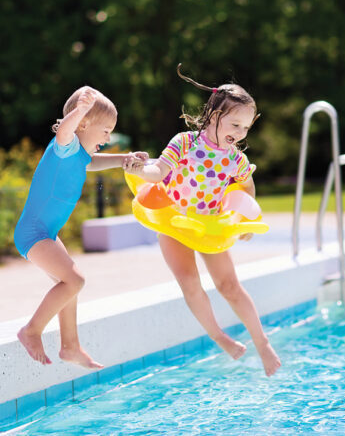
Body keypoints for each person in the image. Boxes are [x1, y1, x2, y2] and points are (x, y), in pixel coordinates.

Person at [126, 65, 281, 376]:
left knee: (229, 286)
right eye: (235, 124)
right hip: (174, 221)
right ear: (214, 116)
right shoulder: (184, 143)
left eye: (246, 128)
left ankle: (262, 342)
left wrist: (244, 218)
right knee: (191, 285)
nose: (239, 133)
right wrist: (141, 171)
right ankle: (219, 336)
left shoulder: (236, 159)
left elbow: (245, 186)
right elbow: (160, 172)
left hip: (209, 227)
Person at [15, 86, 146, 368]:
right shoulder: (65, 147)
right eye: (106, 130)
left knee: (69, 285)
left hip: (45, 233)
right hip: (33, 233)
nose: (109, 138)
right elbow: (64, 133)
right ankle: (31, 331)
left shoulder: (79, 155)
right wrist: (79, 111)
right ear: (83, 123)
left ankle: (70, 346)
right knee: (75, 281)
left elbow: (93, 161)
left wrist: (124, 160)